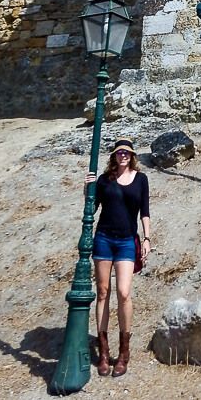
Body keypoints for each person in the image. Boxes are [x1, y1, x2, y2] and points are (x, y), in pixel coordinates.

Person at [85, 137, 150, 377]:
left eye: (127, 152)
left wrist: (147, 238)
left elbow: (145, 210)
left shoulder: (141, 179)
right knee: (103, 292)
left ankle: (124, 352)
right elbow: (91, 210)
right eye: (119, 152)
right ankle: (104, 352)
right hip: (103, 239)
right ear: (114, 155)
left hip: (125, 241)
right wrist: (88, 189)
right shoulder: (104, 180)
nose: (123, 155)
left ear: (132, 155)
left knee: (124, 292)